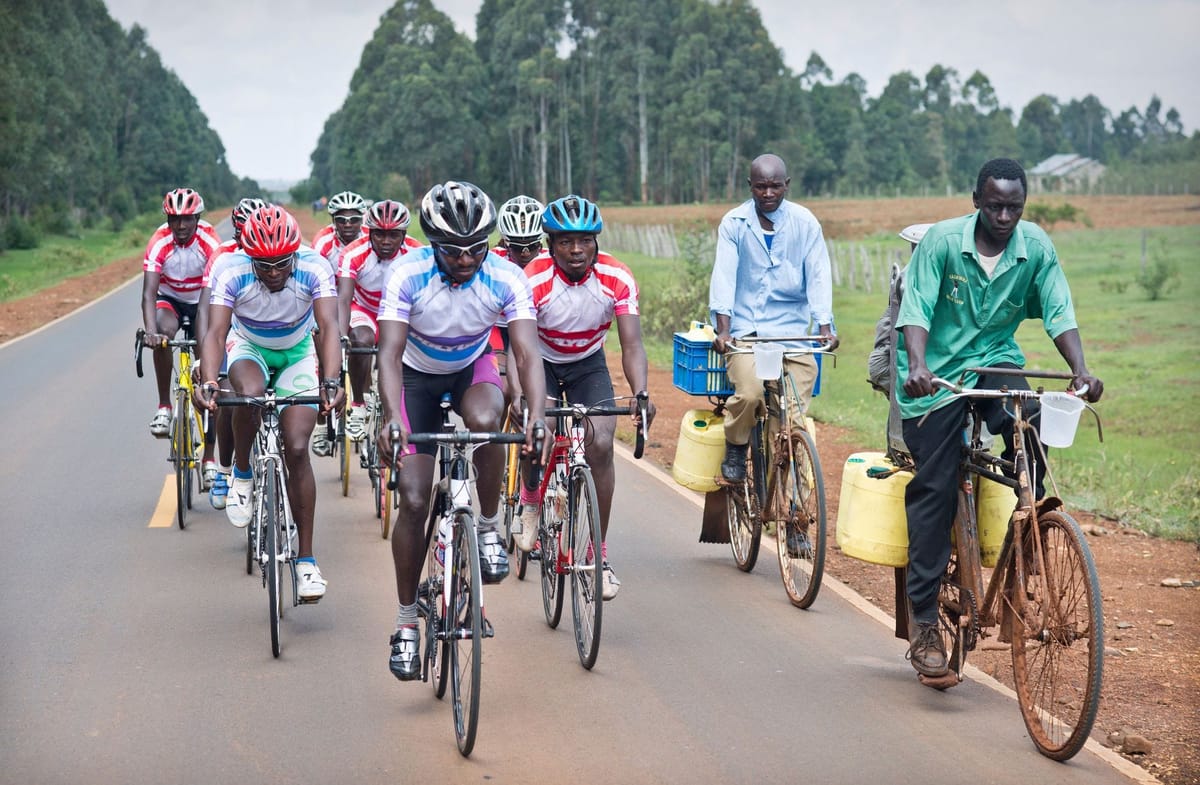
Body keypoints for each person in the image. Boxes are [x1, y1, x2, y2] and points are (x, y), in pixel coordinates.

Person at [895, 157, 1104, 678]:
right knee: (935, 490)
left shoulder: (1035, 247)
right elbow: (915, 310)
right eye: (995, 205)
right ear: (976, 200)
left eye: (1014, 206)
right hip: (938, 377)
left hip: (994, 363)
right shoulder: (942, 244)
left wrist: (1080, 370)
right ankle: (923, 622)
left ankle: (1029, 539)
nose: (1005, 216)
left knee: (1028, 425)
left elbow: (1059, 311)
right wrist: (917, 366)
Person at [375, 180, 547, 681]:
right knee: (411, 498)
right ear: (432, 244)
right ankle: (407, 623)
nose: (467, 259)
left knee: (489, 421)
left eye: (477, 248)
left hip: (472, 368)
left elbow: (526, 354)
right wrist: (390, 417)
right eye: (453, 250)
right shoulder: (407, 274)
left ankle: (489, 526)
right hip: (414, 378)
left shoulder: (507, 276)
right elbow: (387, 353)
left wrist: (535, 414)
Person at [195, 205, 344, 602]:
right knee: (248, 397)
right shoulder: (231, 269)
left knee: (297, 447)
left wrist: (331, 380)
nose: (274, 272)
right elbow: (215, 332)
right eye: (265, 265)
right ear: (250, 256)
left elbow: (329, 326)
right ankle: (242, 471)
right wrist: (210, 380)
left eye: (282, 263)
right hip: (249, 347)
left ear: (295, 253)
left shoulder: (314, 267)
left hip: (297, 352)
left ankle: (307, 562)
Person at [510, 195, 656, 601]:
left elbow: (632, 344)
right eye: (566, 242)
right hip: (540, 359)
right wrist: (522, 396)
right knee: (539, 430)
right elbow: (517, 347)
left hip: (588, 362)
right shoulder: (531, 279)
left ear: (596, 242)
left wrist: (641, 393)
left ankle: (598, 555)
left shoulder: (618, 277)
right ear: (551, 243)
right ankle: (531, 500)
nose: (577, 250)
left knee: (602, 443)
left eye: (585, 241)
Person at [708, 154, 839, 484]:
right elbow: (723, 277)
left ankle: (790, 509)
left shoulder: (805, 223)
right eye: (761, 187)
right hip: (747, 334)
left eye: (775, 186)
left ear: (787, 185)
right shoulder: (735, 224)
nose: (768, 193)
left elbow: (819, 276)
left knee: (792, 423)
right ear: (750, 186)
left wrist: (825, 327)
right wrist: (723, 330)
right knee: (750, 394)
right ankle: (736, 446)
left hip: (794, 335)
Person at [195, 196, 267, 508]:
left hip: (265, 335)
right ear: (237, 231)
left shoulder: (279, 255)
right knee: (225, 395)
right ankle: (225, 471)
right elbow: (206, 310)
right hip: (230, 333)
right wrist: (204, 357)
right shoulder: (222, 257)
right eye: (243, 230)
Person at [334, 199, 423, 446]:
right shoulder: (353, 253)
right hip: (364, 308)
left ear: (404, 235)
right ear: (369, 232)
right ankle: (359, 404)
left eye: (393, 235)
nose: (385, 241)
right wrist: (342, 337)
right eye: (379, 235)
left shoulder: (416, 255)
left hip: (398, 311)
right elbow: (343, 299)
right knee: (361, 340)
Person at [140, 187, 222, 441]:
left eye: (187, 219)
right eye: (174, 219)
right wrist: (151, 333)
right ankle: (164, 407)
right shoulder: (159, 241)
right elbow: (148, 295)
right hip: (171, 298)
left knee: (206, 352)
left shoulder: (209, 241)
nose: (181, 225)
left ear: (197, 219)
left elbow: (215, 289)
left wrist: (209, 337)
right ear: (168, 221)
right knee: (163, 334)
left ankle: (209, 459)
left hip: (202, 299)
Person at [489, 195, 545, 377]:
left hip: (534, 328)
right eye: (517, 247)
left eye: (532, 246)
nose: (525, 253)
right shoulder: (491, 261)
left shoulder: (552, 261)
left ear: (542, 242)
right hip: (498, 327)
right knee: (502, 381)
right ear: (505, 242)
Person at [311, 190, 370, 272]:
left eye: (354, 219)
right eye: (341, 220)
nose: (348, 225)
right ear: (333, 221)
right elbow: (314, 273)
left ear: (361, 220)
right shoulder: (323, 240)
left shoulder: (371, 238)